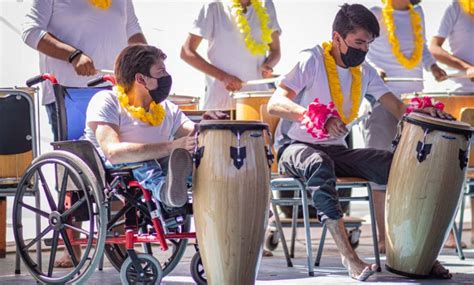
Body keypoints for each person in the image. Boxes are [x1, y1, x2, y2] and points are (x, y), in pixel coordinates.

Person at [267, 3, 452, 281]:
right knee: (319, 163)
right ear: (337, 38)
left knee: (400, 165)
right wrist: (314, 116)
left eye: (368, 44)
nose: (364, 49)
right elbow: (275, 102)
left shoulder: (365, 72)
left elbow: (396, 107)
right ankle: (348, 256)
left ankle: (416, 253)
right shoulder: (312, 59)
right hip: (295, 146)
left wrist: (422, 111)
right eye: (358, 42)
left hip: (335, 151)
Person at [360, 0, 447, 254]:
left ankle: (413, 237)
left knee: (417, 172)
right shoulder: (375, 14)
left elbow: (421, 49)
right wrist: (374, 69)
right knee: (379, 171)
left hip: (415, 102)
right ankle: (383, 239)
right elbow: (360, 51)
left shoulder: (416, 12)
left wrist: (432, 66)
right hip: (382, 101)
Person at [21, 0, 147, 141]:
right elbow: (31, 31)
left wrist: (148, 59)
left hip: (117, 91)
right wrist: (73, 55)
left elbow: (132, 29)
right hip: (69, 94)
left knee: (119, 155)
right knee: (79, 155)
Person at [429, 0, 474, 248]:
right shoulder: (456, 8)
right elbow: (434, 48)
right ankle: (446, 234)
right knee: (454, 167)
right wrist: (467, 68)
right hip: (460, 96)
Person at [181, 0, 281, 109]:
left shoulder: (266, 4)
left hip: (256, 100)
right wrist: (224, 77)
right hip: (220, 102)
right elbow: (186, 52)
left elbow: (275, 50)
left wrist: (269, 65)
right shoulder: (213, 6)